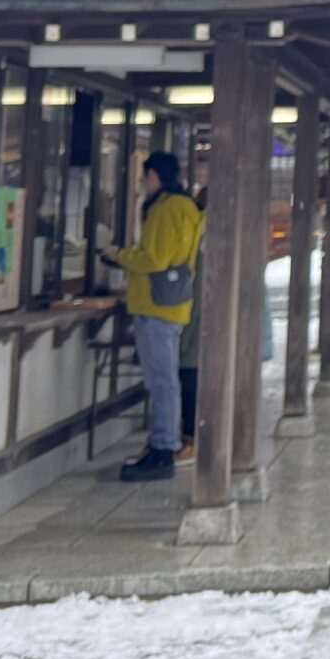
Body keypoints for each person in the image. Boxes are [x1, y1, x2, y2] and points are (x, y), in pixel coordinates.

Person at [109, 151, 204, 482]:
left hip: (155, 305)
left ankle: (164, 447)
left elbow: (155, 258)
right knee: (166, 379)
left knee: (162, 381)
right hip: (172, 306)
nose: (141, 184)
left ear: (153, 177)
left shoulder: (166, 209)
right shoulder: (188, 207)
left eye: (143, 177)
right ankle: (162, 443)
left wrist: (119, 256)